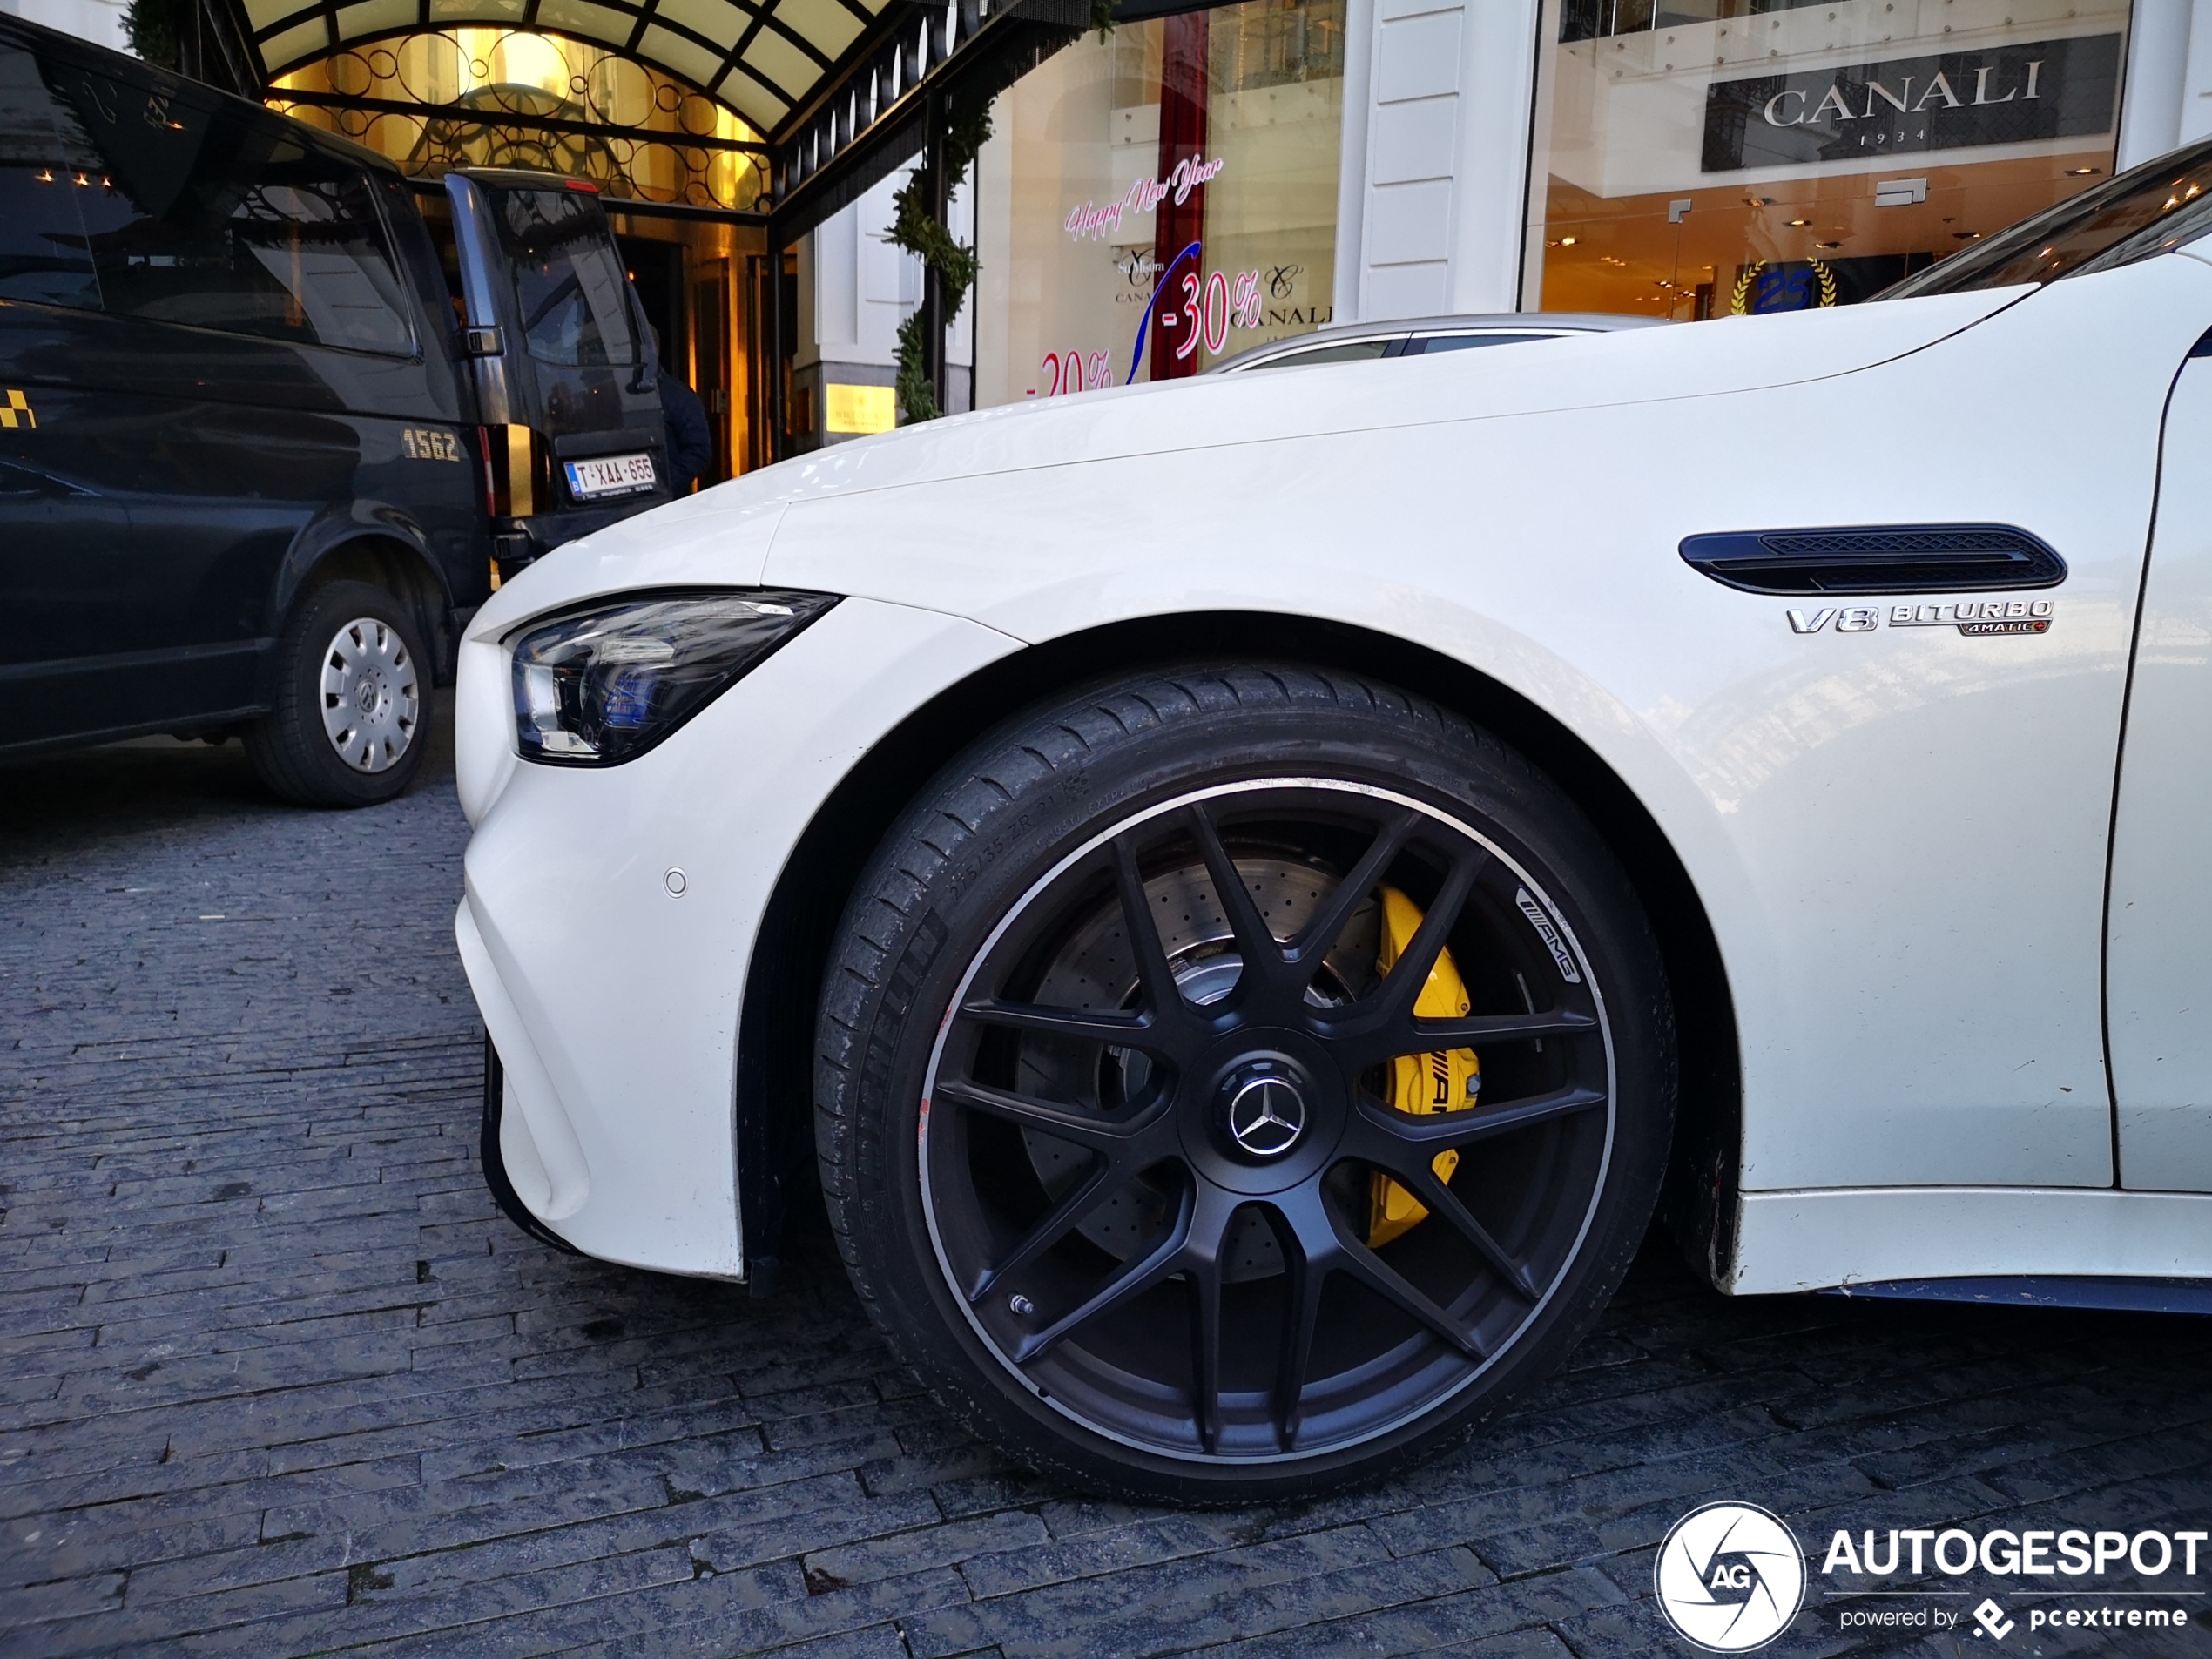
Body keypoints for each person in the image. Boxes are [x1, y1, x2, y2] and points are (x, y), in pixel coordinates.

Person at [650, 325, 712, 493]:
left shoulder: (679, 396)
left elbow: (699, 450)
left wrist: (666, 485)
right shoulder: (615, 393)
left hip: (664, 502)